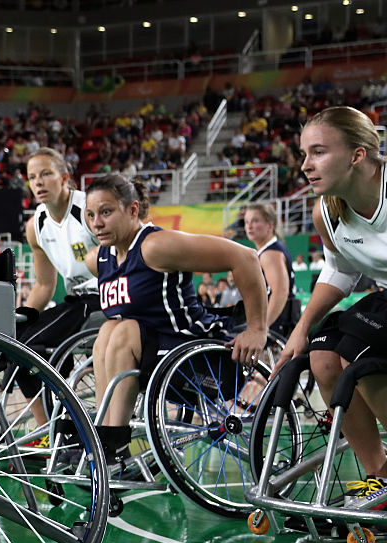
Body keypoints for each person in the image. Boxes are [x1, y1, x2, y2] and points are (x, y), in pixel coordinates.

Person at [84, 174, 268, 459]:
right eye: (91, 214)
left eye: (106, 212)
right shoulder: (99, 259)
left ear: (133, 210)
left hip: (197, 358)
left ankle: (113, 442)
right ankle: (103, 432)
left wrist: (257, 328)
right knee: (108, 330)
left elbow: (245, 257)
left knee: (123, 330)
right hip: (154, 358)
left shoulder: (155, 245)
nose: (97, 222)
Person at [275, 106, 387, 499]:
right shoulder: (327, 211)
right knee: (323, 355)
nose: (305, 165)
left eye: (319, 152)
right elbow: (340, 272)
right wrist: (301, 329)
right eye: (304, 153)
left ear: (357, 155)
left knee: (364, 355)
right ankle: (381, 475)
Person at [16, 148, 100, 428]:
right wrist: (17, 318)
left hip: (103, 297)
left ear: (65, 178)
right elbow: (44, 285)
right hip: (75, 300)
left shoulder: (90, 209)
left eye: (46, 174)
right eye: (32, 177)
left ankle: (66, 421)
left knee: (27, 347)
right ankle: (46, 429)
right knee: (14, 343)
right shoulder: (35, 225)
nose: (38, 182)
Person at [243, 204, 298, 336]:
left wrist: (262, 327)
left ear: (270, 225)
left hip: (278, 325)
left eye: (255, 221)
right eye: (246, 222)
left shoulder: (270, 254)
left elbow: (280, 292)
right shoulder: (270, 250)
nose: (249, 226)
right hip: (280, 322)